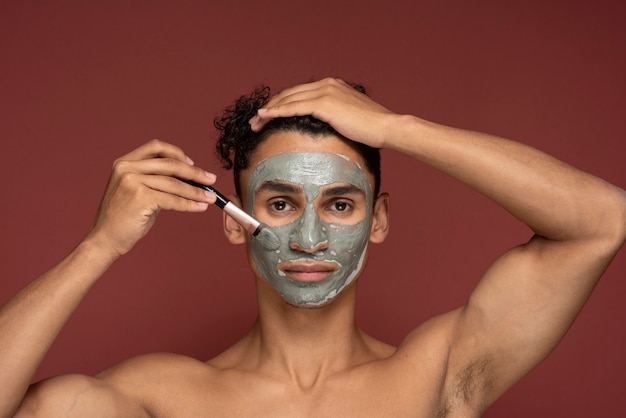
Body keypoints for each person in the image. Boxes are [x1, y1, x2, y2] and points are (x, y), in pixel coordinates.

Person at [1, 78, 624, 417]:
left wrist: (396, 129)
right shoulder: (156, 397)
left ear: (377, 220)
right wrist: (99, 246)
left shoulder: (436, 376)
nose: (308, 238)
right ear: (232, 221)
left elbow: (602, 221)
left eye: (340, 204)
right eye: (279, 204)